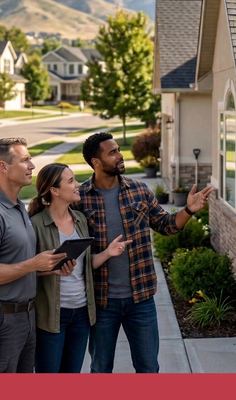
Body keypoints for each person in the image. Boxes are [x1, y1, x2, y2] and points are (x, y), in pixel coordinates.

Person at [74, 132, 213, 373]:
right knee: (100, 368)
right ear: (96, 162)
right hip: (101, 301)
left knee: (148, 368)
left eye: (118, 149)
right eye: (113, 152)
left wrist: (189, 210)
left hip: (141, 299)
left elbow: (167, 226)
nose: (120, 155)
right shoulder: (80, 199)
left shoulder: (139, 190)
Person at [0, 138, 70, 373]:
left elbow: (17, 264)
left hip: (27, 316)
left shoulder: (18, 207)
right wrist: (33, 263)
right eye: (25, 160)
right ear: (3, 166)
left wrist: (47, 267)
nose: (32, 166)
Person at [28, 163, 131, 373]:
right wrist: (53, 270)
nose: (77, 185)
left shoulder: (80, 220)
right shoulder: (35, 224)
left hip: (81, 313)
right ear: (55, 191)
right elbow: (26, 269)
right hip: (52, 315)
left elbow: (84, 265)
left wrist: (108, 253)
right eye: (71, 181)